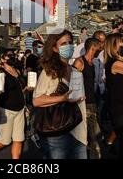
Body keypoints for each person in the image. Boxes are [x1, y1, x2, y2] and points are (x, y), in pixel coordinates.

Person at [33, 30, 88, 159]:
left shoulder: (75, 71)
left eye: (70, 43)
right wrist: (63, 98)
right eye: (63, 44)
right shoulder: (49, 71)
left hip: (78, 131)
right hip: (57, 132)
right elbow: (37, 100)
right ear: (55, 48)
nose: (68, 46)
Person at [0, 52, 29, 159]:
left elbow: (20, 91)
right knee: (5, 140)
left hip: (19, 110)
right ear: (2, 59)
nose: (11, 57)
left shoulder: (17, 71)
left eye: (12, 56)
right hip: (6, 110)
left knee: (19, 140)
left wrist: (27, 90)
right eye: (8, 56)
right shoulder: (0, 73)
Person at [73, 38, 103, 159]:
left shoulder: (93, 63)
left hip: (92, 104)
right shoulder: (79, 62)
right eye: (99, 47)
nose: (100, 49)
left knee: (95, 136)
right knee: (85, 137)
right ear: (93, 47)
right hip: (82, 104)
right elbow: (73, 85)